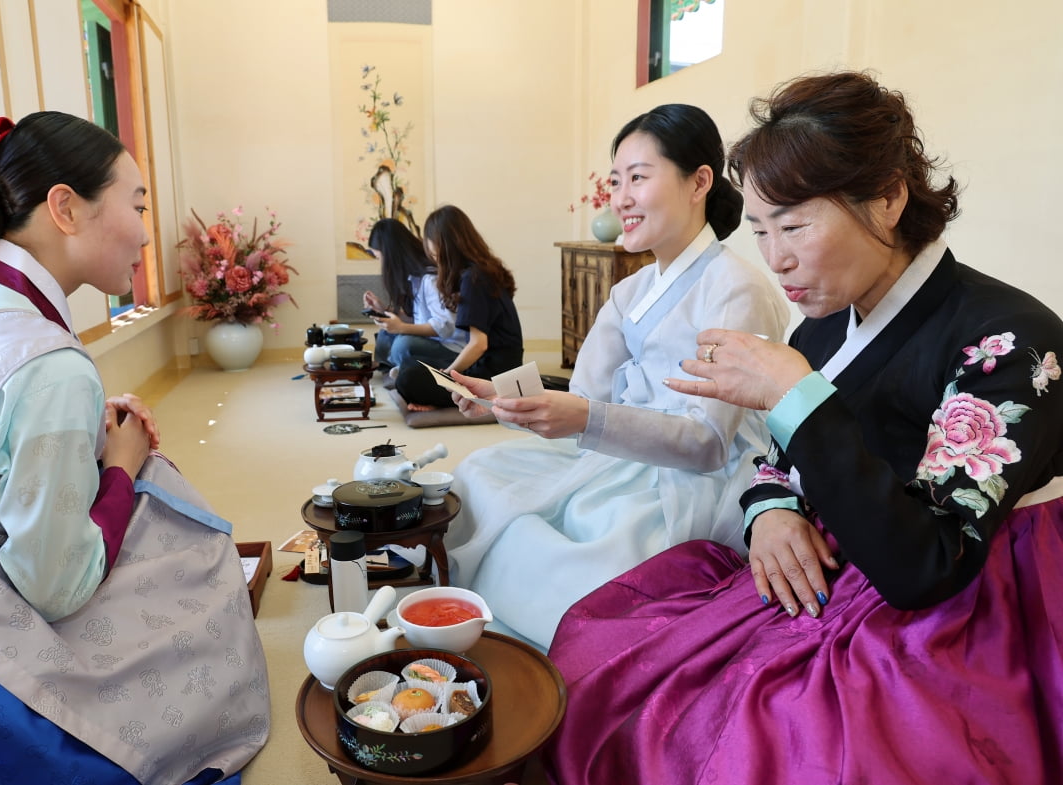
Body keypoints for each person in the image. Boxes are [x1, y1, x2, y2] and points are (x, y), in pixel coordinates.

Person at [545, 71, 1063, 785]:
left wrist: (796, 396)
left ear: (886, 198)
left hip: (960, 604)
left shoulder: (1011, 339)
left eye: (793, 225)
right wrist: (772, 511)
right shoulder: (824, 322)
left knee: (755, 744)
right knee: (601, 665)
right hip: (832, 565)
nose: (776, 258)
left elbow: (931, 564)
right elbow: (772, 455)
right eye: (759, 230)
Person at [0, 112, 270, 784]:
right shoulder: (45, 358)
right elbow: (54, 585)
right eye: (136, 204)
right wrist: (121, 466)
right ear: (65, 207)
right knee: (196, 557)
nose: (145, 230)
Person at [441, 104, 789, 650]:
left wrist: (584, 419)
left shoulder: (735, 287)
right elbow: (584, 400)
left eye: (638, 178)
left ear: (699, 182)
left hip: (691, 475)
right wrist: (501, 398)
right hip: (618, 450)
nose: (621, 197)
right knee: (481, 473)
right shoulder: (629, 291)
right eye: (615, 181)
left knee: (576, 545)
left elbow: (707, 441)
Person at [393, 205, 523, 410]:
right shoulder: (482, 270)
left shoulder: (474, 278)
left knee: (408, 378)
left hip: (495, 374)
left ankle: (446, 398)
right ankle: (441, 395)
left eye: (435, 255)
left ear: (446, 246)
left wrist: (447, 376)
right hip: (499, 366)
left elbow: (479, 344)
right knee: (412, 364)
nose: (435, 260)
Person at [362, 217, 466, 372]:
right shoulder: (415, 277)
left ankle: (398, 371)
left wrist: (402, 328)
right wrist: (385, 311)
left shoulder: (430, 279)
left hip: (451, 348)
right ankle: (394, 370)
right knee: (386, 334)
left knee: (403, 344)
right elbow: (419, 320)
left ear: (390, 255)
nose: (381, 264)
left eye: (379, 257)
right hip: (434, 341)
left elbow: (444, 327)